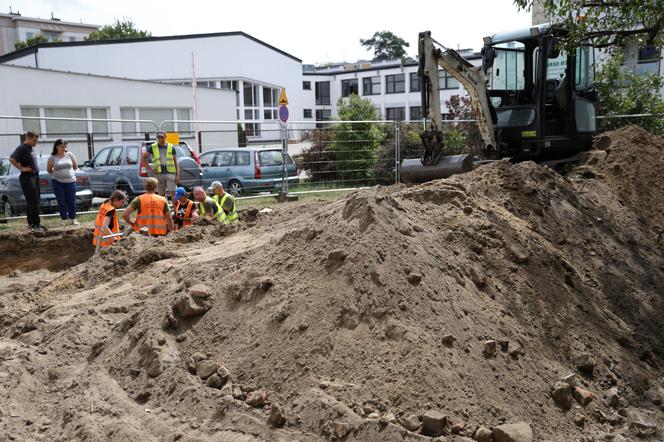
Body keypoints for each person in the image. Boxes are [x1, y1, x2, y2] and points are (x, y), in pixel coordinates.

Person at [9, 131, 45, 230]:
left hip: (34, 176)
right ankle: (35, 224)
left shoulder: (30, 148)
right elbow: (11, 159)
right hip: (27, 177)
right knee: (33, 201)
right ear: (28, 138)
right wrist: (22, 169)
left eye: (36, 140)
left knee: (35, 200)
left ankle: (33, 223)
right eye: (34, 140)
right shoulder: (22, 148)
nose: (35, 142)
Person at [47, 139, 79, 225]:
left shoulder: (70, 155)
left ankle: (73, 219)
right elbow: (49, 170)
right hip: (58, 182)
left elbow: (75, 166)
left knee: (71, 200)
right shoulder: (52, 157)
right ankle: (64, 219)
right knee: (61, 200)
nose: (64, 148)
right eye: (62, 146)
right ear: (57, 147)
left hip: (71, 181)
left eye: (65, 146)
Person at [142, 131, 179, 205]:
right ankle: (164, 213)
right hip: (159, 174)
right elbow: (143, 158)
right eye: (158, 137)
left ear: (165, 137)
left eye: (162, 137)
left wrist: (177, 175)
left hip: (170, 174)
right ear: (156, 138)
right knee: (161, 196)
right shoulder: (152, 147)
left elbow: (175, 162)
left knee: (173, 194)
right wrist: (151, 169)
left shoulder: (171, 147)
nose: (160, 139)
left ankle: (176, 213)